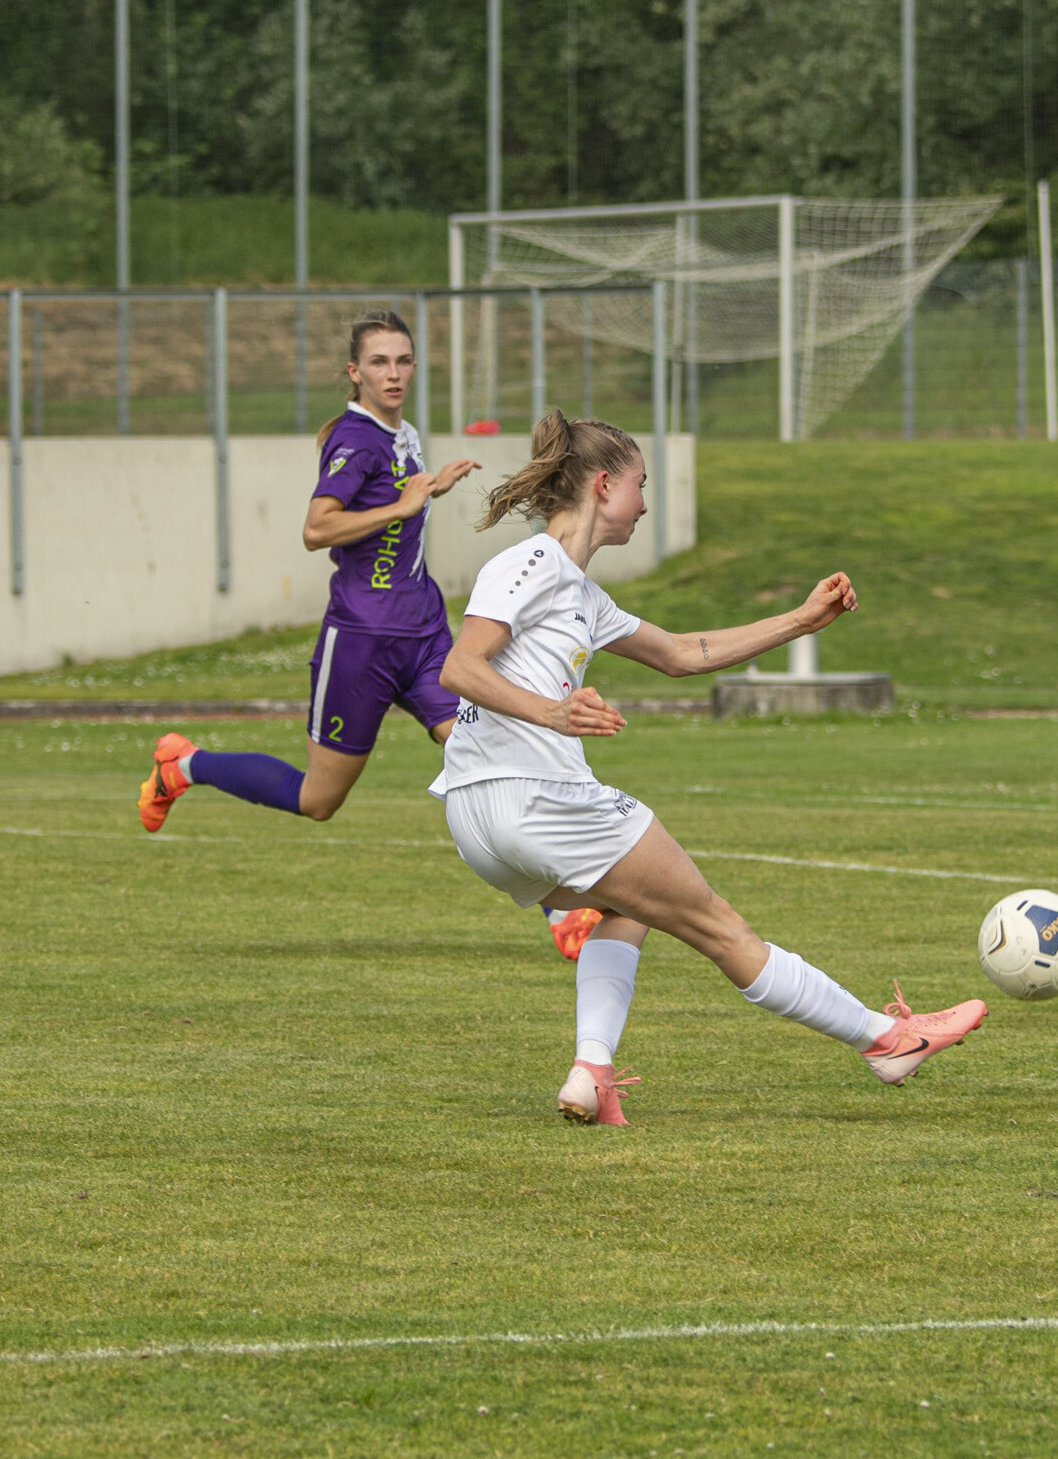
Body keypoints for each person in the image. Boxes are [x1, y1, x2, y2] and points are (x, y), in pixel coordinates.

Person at [433, 410, 987, 1125]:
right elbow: (460, 667)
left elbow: (680, 653)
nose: (645, 502)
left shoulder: (579, 592)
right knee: (719, 926)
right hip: (537, 798)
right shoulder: (531, 563)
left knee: (627, 909)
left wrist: (799, 621)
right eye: (640, 484)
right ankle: (888, 1041)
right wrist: (553, 713)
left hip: (477, 817)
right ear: (603, 485)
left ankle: (591, 1072)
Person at [137, 310, 478, 828]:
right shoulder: (354, 440)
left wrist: (431, 489)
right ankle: (184, 765)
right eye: (379, 362)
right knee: (318, 800)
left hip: (424, 633)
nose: (393, 373)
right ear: (354, 372)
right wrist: (402, 507)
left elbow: (393, 506)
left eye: (404, 361)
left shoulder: (401, 433)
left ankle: (553, 883)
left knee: (480, 751)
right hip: (362, 641)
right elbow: (317, 529)